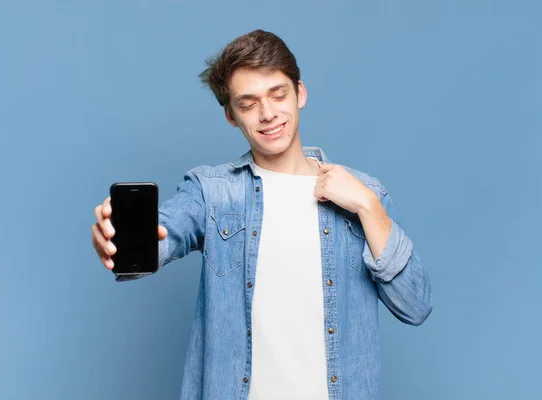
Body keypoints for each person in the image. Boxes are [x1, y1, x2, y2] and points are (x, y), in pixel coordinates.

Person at [91, 29, 432, 400]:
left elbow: (415, 306)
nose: (268, 114)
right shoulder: (213, 192)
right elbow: (166, 232)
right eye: (248, 103)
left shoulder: (364, 193)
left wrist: (368, 206)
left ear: (300, 93)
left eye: (277, 94)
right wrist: (117, 239)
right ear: (231, 116)